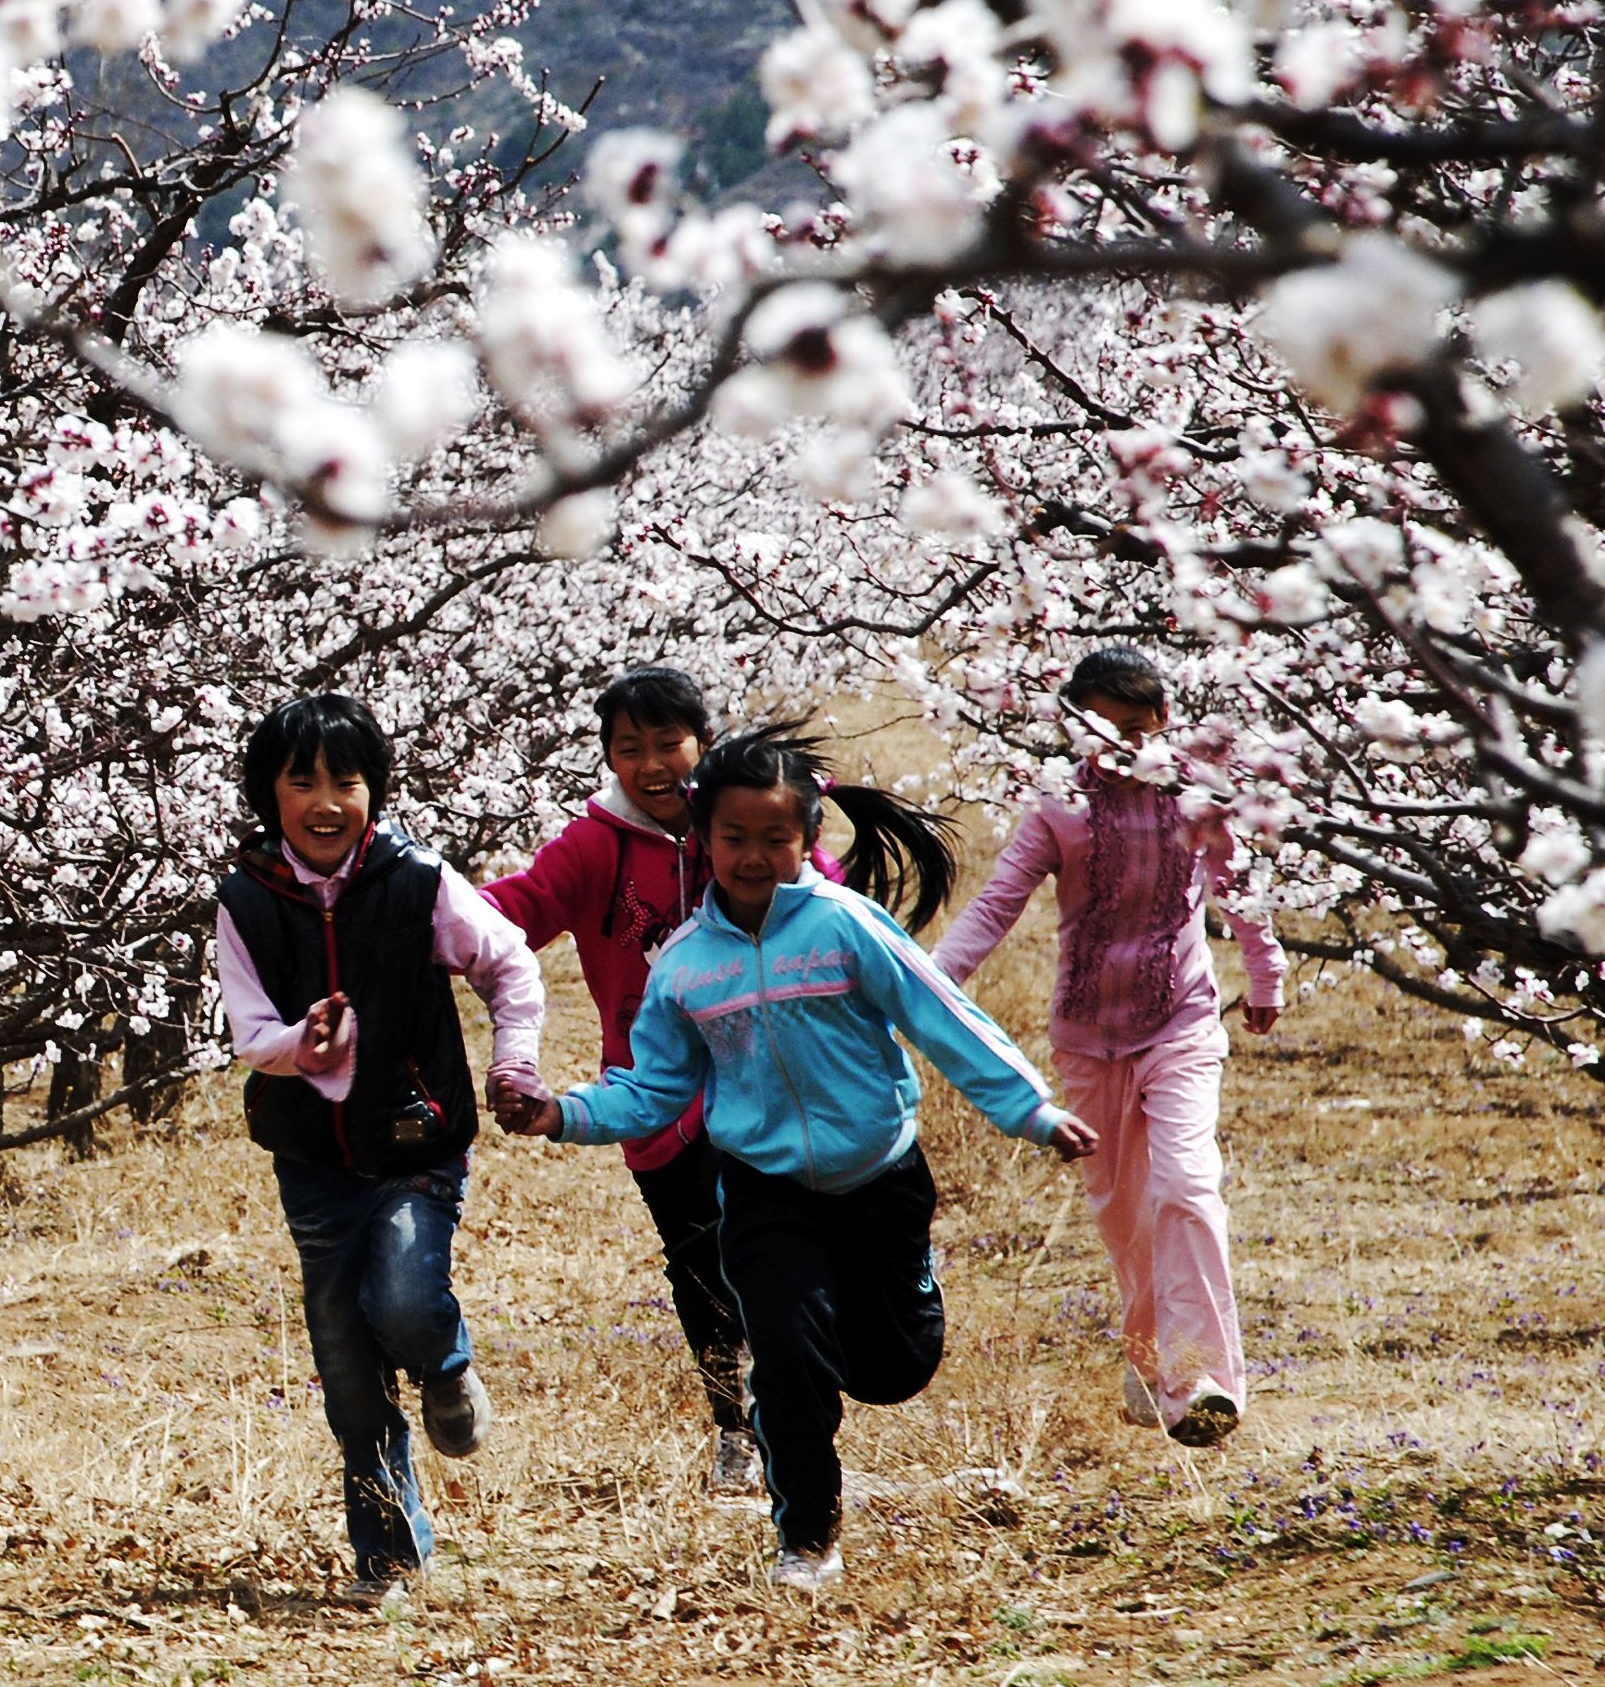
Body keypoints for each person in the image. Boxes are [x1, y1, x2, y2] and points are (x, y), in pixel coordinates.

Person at [496, 729, 1096, 1594]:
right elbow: (652, 1088)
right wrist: (563, 1113)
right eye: (733, 837)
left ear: (808, 836)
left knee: (893, 1367)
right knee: (785, 1357)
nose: (753, 856)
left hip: (879, 1178)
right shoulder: (685, 966)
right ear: (703, 840)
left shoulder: (845, 926)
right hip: (763, 1187)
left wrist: (1032, 1111)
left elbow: (943, 1018)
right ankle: (806, 1538)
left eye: (774, 837)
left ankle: (884, 1314)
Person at [214, 692, 547, 1593]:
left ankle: (444, 1361)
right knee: (348, 1370)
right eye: (302, 782)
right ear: (268, 794)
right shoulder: (246, 899)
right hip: (312, 1158)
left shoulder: (418, 881)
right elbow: (251, 1032)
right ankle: (389, 1555)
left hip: (414, 1140)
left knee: (403, 1296)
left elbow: (510, 964)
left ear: (376, 790)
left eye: (347, 781)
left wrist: (513, 1062)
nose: (326, 802)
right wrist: (301, 1044)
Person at [932, 646, 1287, 1450]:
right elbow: (995, 904)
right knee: (1127, 1216)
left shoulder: (1199, 802)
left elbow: (1241, 894)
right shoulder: (1058, 807)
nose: (1119, 744)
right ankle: (1151, 1358)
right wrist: (927, 986)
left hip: (1181, 1024)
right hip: (1088, 1042)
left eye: (1134, 727)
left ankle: (1202, 1381)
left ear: (1164, 720)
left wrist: (1265, 976)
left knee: (1187, 1185)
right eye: (1098, 729)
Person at [481, 665, 762, 1494]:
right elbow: (518, 908)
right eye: (629, 748)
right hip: (651, 1092)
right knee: (697, 1262)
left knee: (767, 1243)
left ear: (703, 743)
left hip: (763, 1078)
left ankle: (788, 1405)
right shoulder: (594, 845)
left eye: (668, 743)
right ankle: (735, 1428)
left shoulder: (740, 821)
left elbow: (818, 889)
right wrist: (409, 910)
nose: (651, 765)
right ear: (608, 758)